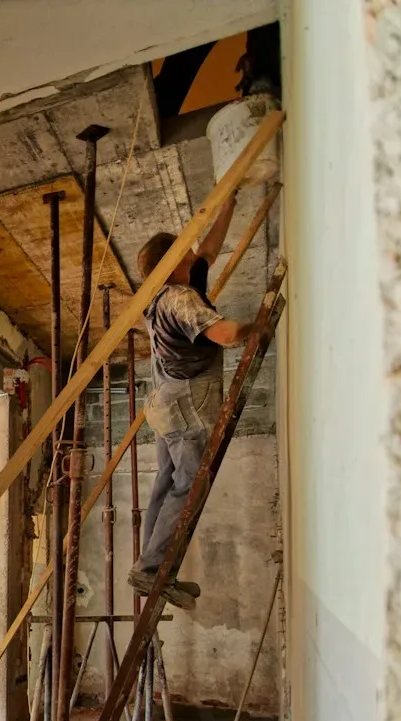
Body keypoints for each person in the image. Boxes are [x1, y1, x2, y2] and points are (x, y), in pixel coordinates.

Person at [129, 190, 262, 609]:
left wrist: (228, 206)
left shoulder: (171, 289)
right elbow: (225, 334)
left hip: (165, 404)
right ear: (174, 264)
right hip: (185, 407)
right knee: (187, 488)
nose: (193, 255)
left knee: (165, 484)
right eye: (185, 253)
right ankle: (151, 571)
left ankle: (150, 568)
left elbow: (207, 250)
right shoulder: (180, 298)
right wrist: (258, 327)